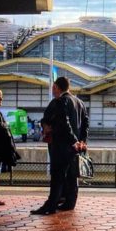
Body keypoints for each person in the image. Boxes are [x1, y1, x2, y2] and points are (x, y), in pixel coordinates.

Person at [31, 77, 89, 215]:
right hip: (75, 148)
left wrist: (73, 140)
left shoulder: (60, 101)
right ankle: (69, 203)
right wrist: (82, 141)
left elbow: (64, 122)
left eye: (53, 87)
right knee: (72, 175)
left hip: (62, 145)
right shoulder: (79, 102)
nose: (52, 89)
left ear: (57, 87)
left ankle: (51, 205)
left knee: (57, 175)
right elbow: (86, 123)